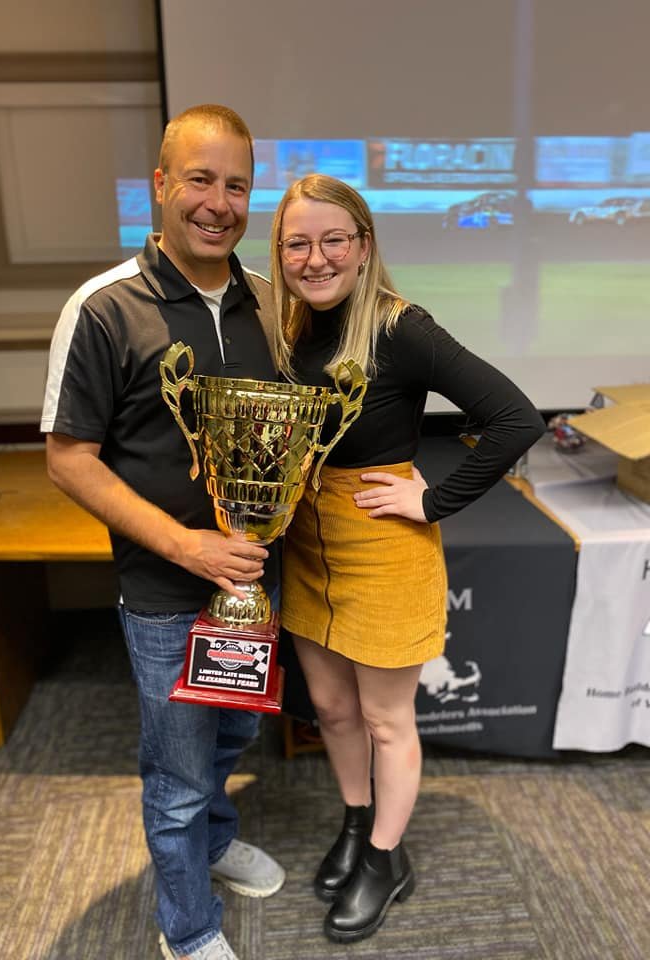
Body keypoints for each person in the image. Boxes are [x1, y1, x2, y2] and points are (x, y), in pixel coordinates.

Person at [269, 174, 545, 944]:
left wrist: (431, 502)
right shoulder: (288, 331)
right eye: (298, 242)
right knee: (329, 710)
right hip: (305, 541)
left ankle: (387, 859)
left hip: (382, 547)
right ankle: (358, 826)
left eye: (333, 240)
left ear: (363, 246)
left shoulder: (400, 326)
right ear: (281, 252)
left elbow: (514, 417)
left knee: (387, 720)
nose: (315, 257)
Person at [41, 104, 285, 960]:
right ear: (160, 184)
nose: (219, 202)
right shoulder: (104, 308)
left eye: (238, 184)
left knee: (233, 737)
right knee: (177, 774)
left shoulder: (269, 303)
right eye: (200, 179)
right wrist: (185, 546)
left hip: (254, 587)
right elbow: (70, 459)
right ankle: (186, 930)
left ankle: (215, 847)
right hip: (164, 592)